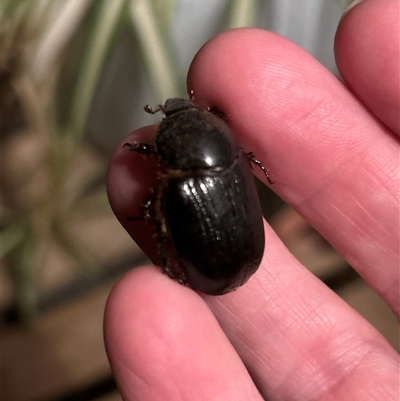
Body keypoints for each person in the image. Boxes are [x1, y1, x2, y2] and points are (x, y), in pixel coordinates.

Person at [105, 0, 399, 399]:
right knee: (153, 210)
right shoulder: (233, 158)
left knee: (152, 209)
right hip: (229, 255)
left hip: (222, 259)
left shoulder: (192, 168)